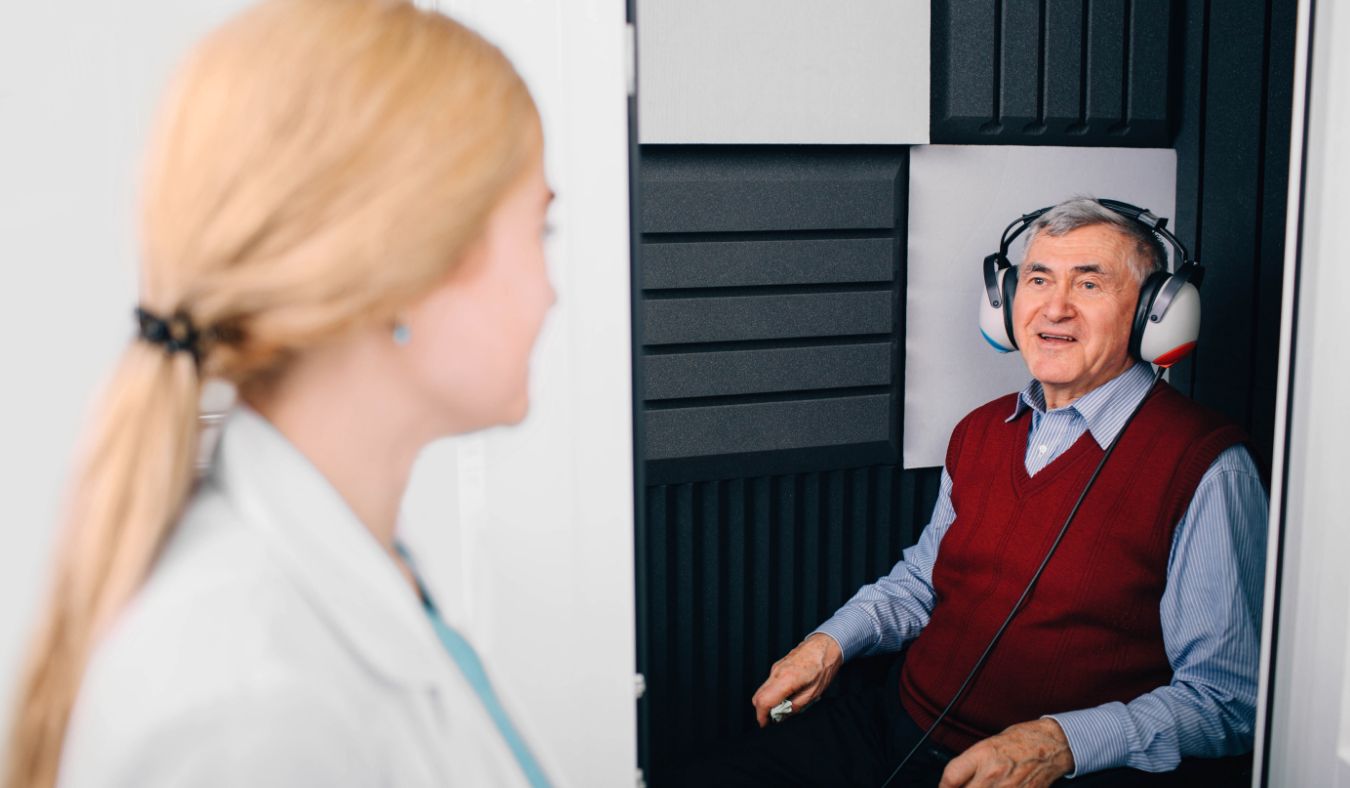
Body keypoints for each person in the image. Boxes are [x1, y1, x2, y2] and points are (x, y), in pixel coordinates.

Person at [3, 1, 555, 786]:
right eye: (541, 232)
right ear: (406, 269)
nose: (551, 293)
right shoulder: (248, 708)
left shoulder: (351, 568)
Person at [680, 198, 1268, 787]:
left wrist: (1060, 743)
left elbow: (1227, 700)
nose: (1054, 307)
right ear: (1007, 301)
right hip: (894, 722)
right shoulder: (982, 430)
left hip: (1034, 774)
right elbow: (923, 581)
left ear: (1153, 314)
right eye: (1038, 279)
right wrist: (830, 643)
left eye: (1089, 283)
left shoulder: (1209, 468)